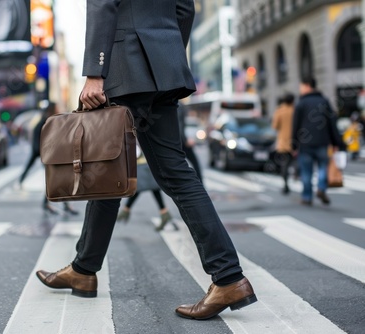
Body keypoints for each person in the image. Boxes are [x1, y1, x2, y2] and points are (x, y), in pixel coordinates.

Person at [36, 0, 257, 321]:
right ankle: (84, 269)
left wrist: (95, 73)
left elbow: (102, 5)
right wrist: (164, 52)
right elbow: (185, 9)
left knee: (111, 165)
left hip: (126, 67)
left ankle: (228, 278)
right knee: (134, 169)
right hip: (164, 70)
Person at [292, 77, 346, 206]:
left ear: (307, 85)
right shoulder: (324, 101)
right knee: (323, 167)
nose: (300, 89)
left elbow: (295, 125)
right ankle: (321, 188)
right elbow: (332, 123)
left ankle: (307, 197)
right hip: (323, 141)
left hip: (305, 144)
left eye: (301, 86)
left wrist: (294, 145)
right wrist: (336, 143)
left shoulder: (301, 103)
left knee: (306, 172)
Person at [18, 102, 78, 215]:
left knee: (54, 180)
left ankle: (52, 203)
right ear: (52, 109)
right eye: (56, 107)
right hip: (44, 154)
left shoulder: (44, 119)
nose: (58, 109)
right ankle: (59, 204)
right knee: (55, 179)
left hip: (42, 153)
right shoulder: (46, 121)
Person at [116, 147, 175, 231]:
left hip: (145, 157)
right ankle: (164, 213)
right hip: (148, 157)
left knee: (143, 184)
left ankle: (126, 210)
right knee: (149, 185)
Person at [272, 93, 295, 194]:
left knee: (284, 165)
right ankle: (297, 176)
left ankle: (286, 184)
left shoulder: (280, 111)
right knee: (296, 162)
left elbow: (275, 126)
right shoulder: (295, 110)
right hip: (297, 141)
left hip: (283, 142)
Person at [178, 103, 203, 181]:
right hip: (180, 142)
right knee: (193, 163)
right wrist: (185, 140)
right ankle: (199, 185)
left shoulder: (177, 104)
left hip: (177, 141)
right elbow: (179, 125)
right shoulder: (178, 105)